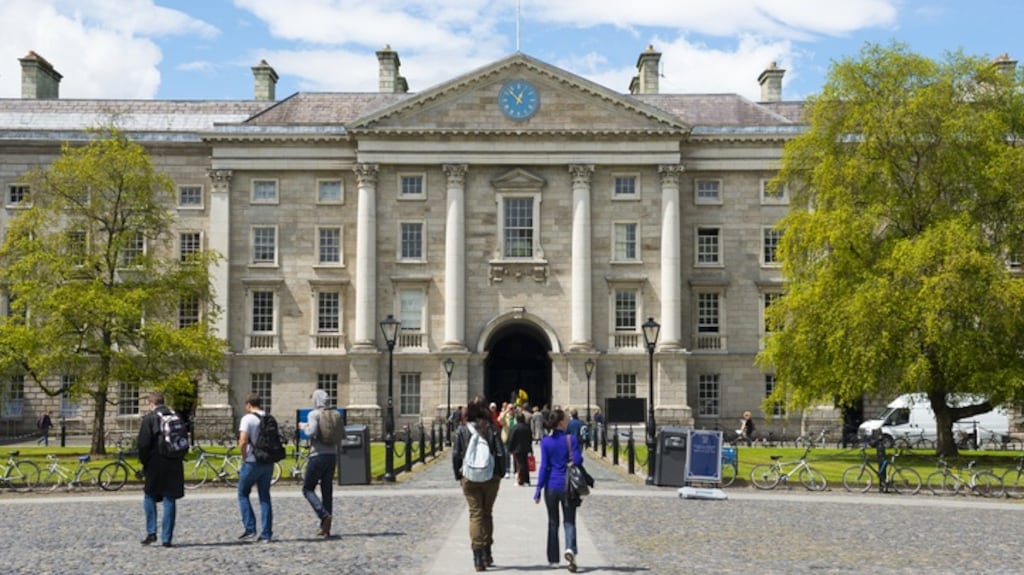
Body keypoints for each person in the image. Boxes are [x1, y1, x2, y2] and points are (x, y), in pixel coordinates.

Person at [452, 396, 506, 571]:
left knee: (475, 514)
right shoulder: (492, 428)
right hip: (490, 477)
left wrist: (457, 475)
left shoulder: (462, 429)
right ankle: (487, 552)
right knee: (487, 513)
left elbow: (455, 454)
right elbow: (500, 453)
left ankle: (478, 557)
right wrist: (501, 472)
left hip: (469, 476)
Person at [533, 408, 583, 572]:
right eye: (566, 418)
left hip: (551, 487)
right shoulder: (571, 439)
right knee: (569, 521)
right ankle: (570, 550)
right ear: (561, 422)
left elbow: (544, 467)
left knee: (552, 522)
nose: (568, 420)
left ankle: (553, 559)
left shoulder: (546, 442)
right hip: (567, 486)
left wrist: (538, 490)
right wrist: (574, 455)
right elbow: (577, 460)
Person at [137, 391, 185, 548]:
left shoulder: (150, 419)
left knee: (149, 495)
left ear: (151, 403)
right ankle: (167, 538)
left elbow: (143, 445)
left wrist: (144, 463)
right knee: (169, 499)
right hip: (174, 462)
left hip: (155, 463)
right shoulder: (176, 416)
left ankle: (151, 532)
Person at [237, 393, 274, 543]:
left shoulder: (247, 419)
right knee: (265, 497)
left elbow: (243, 441)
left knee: (243, 493)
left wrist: (244, 457)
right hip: (268, 461)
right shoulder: (268, 417)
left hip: (252, 461)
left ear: (248, 405)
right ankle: (266, 533)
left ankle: (250, 528)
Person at [302, 389, 337, 537]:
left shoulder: (314, 414)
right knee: (327, 491)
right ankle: (326, 528)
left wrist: (303, 427)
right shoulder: (336, 414)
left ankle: (323, 515)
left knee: (308, 488)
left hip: (317, 455)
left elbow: (311, 432)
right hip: (332, 455)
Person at [508, 413, 534, 486]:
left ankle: (521, 481)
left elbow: (511, 439)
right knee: (525, 464)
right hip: (525, 448)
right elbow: (530, 438)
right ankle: (527, 480)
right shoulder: (527, 427)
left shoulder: (515, 427)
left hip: (517, 448)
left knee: (520, 465)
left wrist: (510, 448)